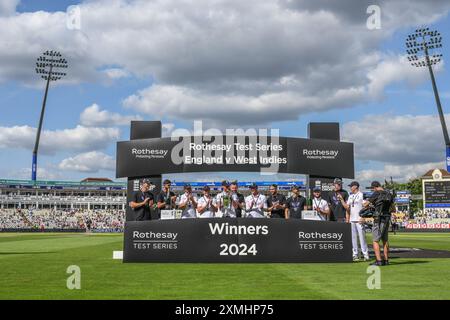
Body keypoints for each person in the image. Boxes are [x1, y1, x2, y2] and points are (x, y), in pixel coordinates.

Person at [362, 181, 394, 266]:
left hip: (378, 219)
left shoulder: (376, 193)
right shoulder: (389, 194)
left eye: (373, 189)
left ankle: (379, 261)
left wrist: (367, 204)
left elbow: (366, 204)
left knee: (375, 240)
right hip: (387, 218)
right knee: (385, 240)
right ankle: (386, 260)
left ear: (375, 187)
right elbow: (393, 208)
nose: (373, 190)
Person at [340, 181, 369, 261]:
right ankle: (355, 254)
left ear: (355, 186)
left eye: (351, 186)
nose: (350, 188)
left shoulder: (361, 195)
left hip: (359, 219)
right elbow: (347, 207)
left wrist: (364, 217)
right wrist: (342, 200)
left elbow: (367, 205)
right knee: (353, 238)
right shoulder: (350, 196)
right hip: (352, 219)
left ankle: (365, 255)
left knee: (362, 238)